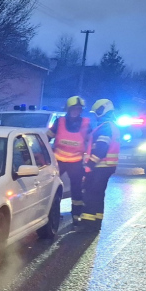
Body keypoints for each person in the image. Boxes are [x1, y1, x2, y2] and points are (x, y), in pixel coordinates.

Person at [47, 96, 91, 224]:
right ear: (68, 109)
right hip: (58, 161)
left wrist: (89, 160)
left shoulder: (86, 123)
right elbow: (47, 137)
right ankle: (52, 213)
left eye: (78, 109)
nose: (75, 111)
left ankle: (76, 216)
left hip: (76, 162)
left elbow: (91, 142)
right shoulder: (59, 122)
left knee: (76, 190)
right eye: (73, 109)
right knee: (51, 187)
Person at [81, 98, 120, 231]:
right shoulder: (110, 125)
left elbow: (101, 148)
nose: (96, 115)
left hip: (100, 167)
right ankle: (96, 222)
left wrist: (90, 165)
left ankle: (88, 225)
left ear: (103, 110)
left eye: (97, 112)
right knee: (98, 194)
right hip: (106, 166)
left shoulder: (105, 127)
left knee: (91, 194)